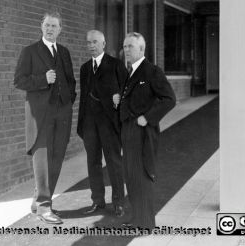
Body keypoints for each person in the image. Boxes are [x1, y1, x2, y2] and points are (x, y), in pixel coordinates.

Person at [14, 11, 76, 225]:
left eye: (54, 26)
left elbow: (71, 80)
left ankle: (39, 202)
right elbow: (19, 81)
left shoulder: (65, 52)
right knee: (41, 160)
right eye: (47, 25)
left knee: (57, 158)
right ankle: (44, 207)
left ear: (60, 29)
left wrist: (69, 100)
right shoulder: (30, 51)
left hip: (62, 113)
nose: (50, 29)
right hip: (40, 116)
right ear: (42, 27)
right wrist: (43, 79)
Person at [119, 32, 176, 229]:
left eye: (130, 47)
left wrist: (148, 118)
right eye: (125, 46)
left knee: (142, 175)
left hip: (142, 132)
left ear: (142, 49)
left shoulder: (152, 71)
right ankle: (137, 218)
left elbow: (170, 99)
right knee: (131, 175)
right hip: (128, 130)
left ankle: (145, 223)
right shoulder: (131, 71)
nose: (126, 50)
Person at [77, 30, 128, 217]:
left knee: (114, 162)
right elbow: (83, 98)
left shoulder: (115, 65)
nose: (91, 45)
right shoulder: (84, 68)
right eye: (88, 42)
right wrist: (81, 124)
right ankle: (97, 201)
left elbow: (126, 90)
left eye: (95, 42)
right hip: (89, 124)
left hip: (109, 123)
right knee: (93, 163)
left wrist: (118, 99)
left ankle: (118, 202)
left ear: (104, 44)